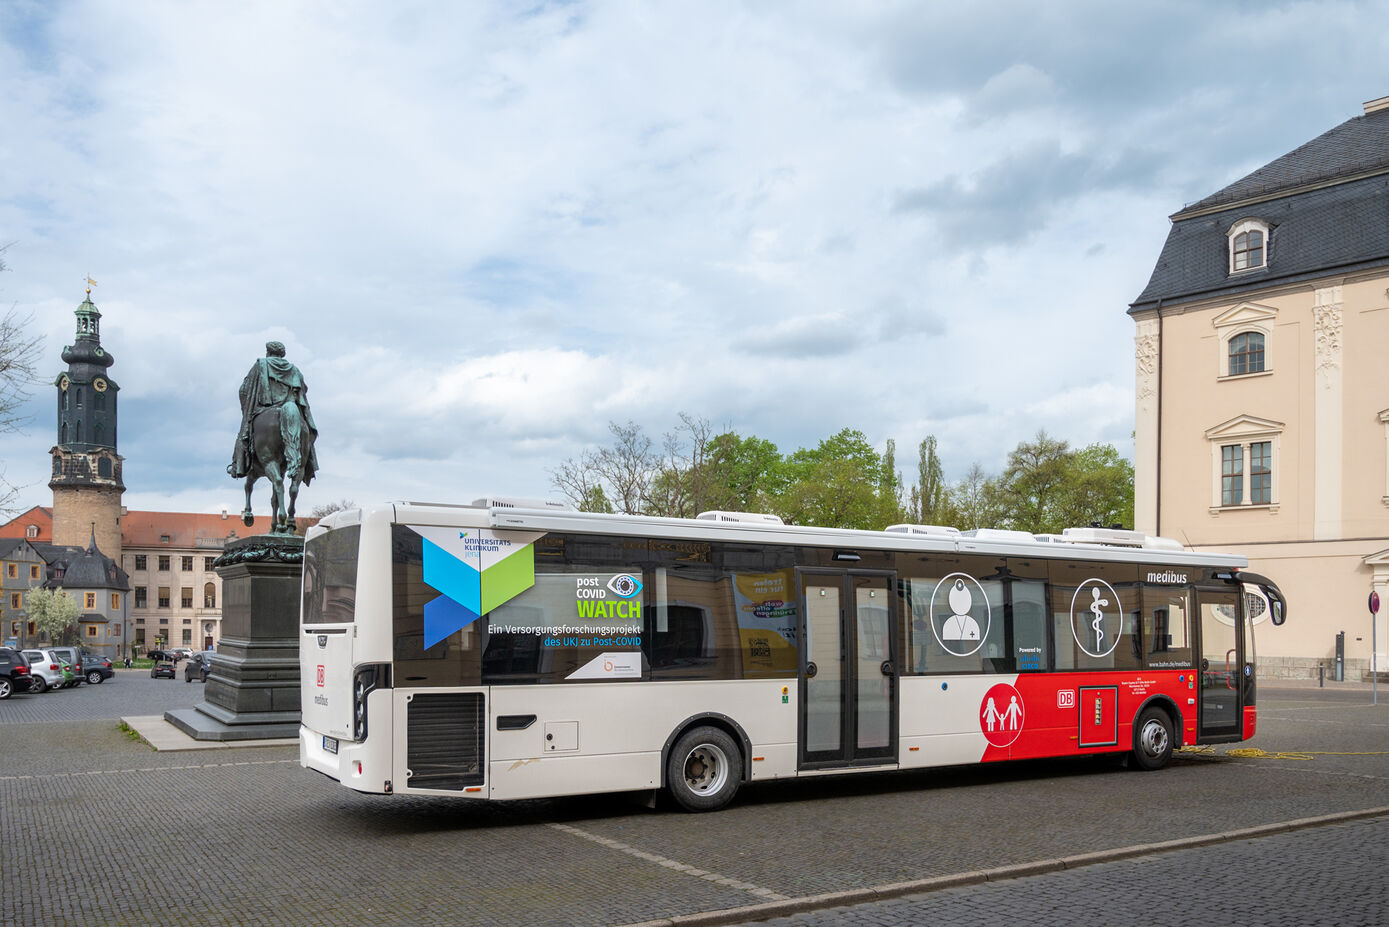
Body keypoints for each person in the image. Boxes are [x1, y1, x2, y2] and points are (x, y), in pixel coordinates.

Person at [228, 341, 319, 483]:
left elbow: (244, 390)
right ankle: (308, 462)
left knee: (244, 434)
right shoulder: (294, 370)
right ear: (282, 354)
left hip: (265, 407)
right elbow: (303, 393)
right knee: (304, 434)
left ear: (268, 352)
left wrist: (247, 408)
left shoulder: (261, 364)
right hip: (292, 408)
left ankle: (237, 465)